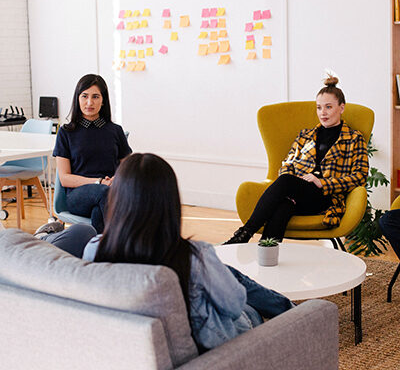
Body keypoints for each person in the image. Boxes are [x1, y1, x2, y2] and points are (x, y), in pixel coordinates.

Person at [37, 153, 294, 352]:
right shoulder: (194, 255)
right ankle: (292, 312)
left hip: (135, 346)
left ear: (118, 200)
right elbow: (234, 304)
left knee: (225, 275)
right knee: (247, 308)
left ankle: (284, 306)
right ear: (169, 201)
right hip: (210, 349)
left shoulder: (96, 248)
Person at [224, 75, 369, 244]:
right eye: (319, 108)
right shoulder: (305, 135)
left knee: (285, 181)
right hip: (297, 192)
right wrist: (296, 183)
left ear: (341, 107)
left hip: (326, 197)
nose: (323, 113)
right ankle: (266, 256)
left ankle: (244, 233)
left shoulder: (354, 138)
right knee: (283, 208)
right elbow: (288, 164)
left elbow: (360, 175)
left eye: (329, 107)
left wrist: (323, 182)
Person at [53, 74, 132, 233]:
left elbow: (129, 167)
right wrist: (99, 182)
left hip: (108, 193)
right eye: (85, 96)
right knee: (105, 193)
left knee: (100, 211)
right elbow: (65, 178)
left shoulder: (115, 131)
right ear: (77, 99)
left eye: (95, 96)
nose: (90, 102)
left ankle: (99, 253)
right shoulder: (66, 132)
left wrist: (117, 179)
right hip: (78, 196)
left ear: (103, 101)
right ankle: (128, 246)